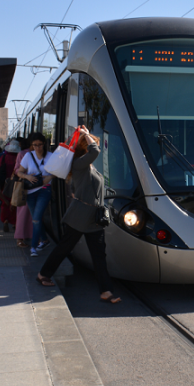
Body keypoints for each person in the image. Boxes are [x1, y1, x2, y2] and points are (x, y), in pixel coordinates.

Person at [34, 126, 120, 305]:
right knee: (64, 248)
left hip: (93, 218)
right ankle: (43, 274)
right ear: (85, 147)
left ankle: (106, 291)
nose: (95, 145)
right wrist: (87, 135)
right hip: (80, 216)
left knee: (98, 255)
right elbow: (95, 151)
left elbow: (88, 187)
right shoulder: (79, 163)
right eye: (90, 143)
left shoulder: (87, 166)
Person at [16, 132, 53, 257]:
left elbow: (60, 170)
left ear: (44, 144)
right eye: (35, 145)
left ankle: (33, 247)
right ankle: (45, 240)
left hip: (45, 189)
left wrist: (50, 177)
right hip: (30, 191)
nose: (38, 148)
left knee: (36, 219)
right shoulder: (28, 156)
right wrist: (27, 176)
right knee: (35, 219)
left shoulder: (50, 156)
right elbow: (19, 172)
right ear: (31, 145)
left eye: (40, 145)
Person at [13, 137, 34, 248]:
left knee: (35, 214)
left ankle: (35, 236)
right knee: (23, 213)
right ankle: (20, 237)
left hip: (39, 187)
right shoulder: (23, 154)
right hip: (25, 187)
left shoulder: (44, 154)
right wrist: (25, 175)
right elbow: (16, 170)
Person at [0, 139, 21, 232]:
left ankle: (5, 220)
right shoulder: (19, 157)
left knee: (5, 203)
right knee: (16, 203)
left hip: (5, 184)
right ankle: (15, 223)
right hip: (17, 183)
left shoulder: (3, 157)